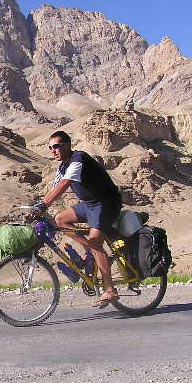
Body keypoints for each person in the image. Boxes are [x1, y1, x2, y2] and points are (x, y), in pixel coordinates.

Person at [31, 130, 122, 308]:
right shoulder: (63, 167)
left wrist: (43, 206)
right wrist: (37, 207)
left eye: (56, 146)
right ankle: (91, 250)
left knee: (96, 244)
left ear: (67, 145)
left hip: (106, 203)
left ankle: (110, 289)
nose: (53, 150)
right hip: (88, 204)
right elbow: (55, 187)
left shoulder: (78, 159)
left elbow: (64, 185)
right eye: (50, 148)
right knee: (60, 219)